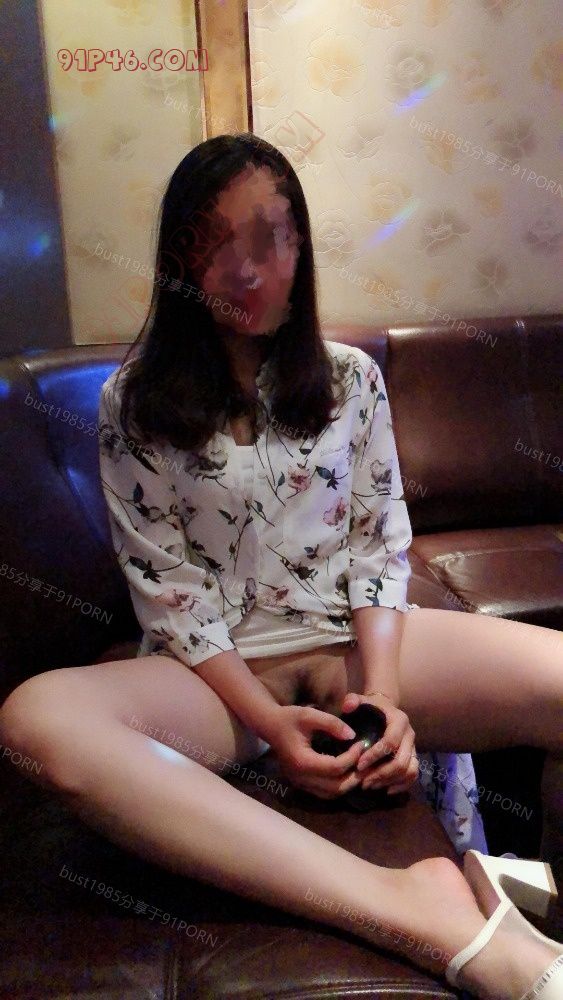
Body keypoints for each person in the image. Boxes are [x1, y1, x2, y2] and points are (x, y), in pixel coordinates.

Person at [1, 134, 561, 1000]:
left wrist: (385, 697)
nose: (246, 268)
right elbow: (170, 591)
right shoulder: (132, 402)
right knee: (38, 720)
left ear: (300, 245)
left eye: (269, 236)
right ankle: (404, 905)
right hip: (216, 675)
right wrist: (265, 715)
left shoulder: (351, 380)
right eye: (213, 243)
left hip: (352, 642)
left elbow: (378, 545)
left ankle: (530, 899)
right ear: (178, 260)